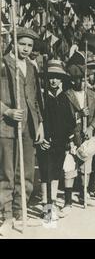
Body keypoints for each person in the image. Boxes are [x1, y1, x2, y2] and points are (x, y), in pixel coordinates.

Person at [0, 27, 44, 235]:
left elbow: (36, 99)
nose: (25, 49)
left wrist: (40, 123)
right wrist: (7, 110)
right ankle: (6, 214)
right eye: (22, 44)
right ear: (13, 43)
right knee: (8, 171)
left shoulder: (31, 66)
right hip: (7, 124)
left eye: (29, 45)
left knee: (26, 170)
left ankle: (20, 210)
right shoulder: (3, 64)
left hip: (29, 124)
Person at [36, 60, 75, 218]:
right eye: (50, 77)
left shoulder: (64, 98)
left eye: (57, 77)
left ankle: (52, 203)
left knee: (55, 173)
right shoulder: (43, 98)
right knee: (45, 173)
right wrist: (42, 138)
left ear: (61, 80)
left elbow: (69, 122)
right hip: (45, 142)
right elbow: (40, 119)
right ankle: (46, 208)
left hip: (60, 143)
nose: (53, 80)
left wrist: (69, 140)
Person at [62, 64, 95, 212]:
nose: (85, 82)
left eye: (86, 79)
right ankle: (67, 201)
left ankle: (83, 193)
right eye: (81, 80)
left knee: (86, 166)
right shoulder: (66, 96)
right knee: (70, 166)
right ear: (73, 81)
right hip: (72, 136)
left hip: (87, 135)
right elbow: (64, 117)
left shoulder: (92, 95)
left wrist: (92, 127)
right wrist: (78, 114)